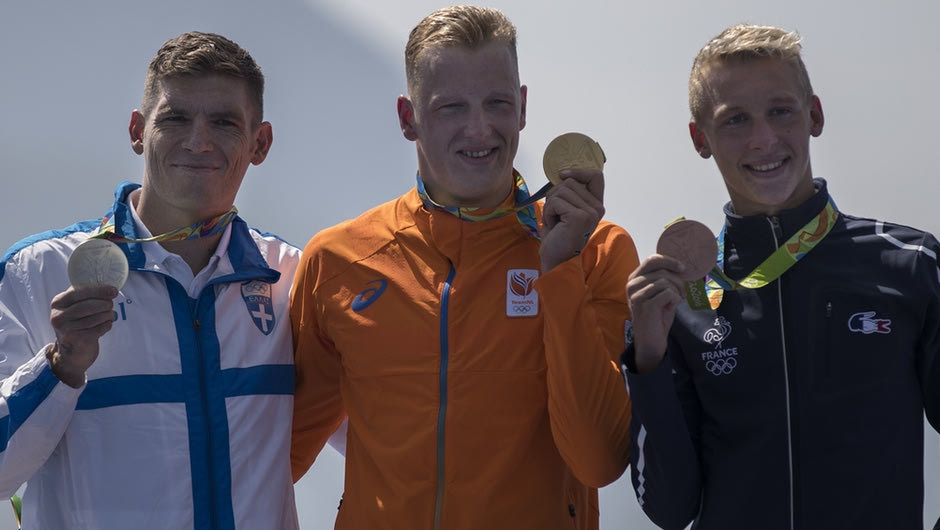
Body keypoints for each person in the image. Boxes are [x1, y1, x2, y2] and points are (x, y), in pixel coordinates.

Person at [290, 5, 636, 529]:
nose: (480, 129)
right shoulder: (337, 261)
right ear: (408, 118)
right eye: (451, 107)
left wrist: (560, 267)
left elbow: (599, 459)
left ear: (522, 107)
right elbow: (272, 459)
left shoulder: (597, 253)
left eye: (497, 103)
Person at [622, 24, 940, 529]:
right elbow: (670, 509)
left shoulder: (911, 263)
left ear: (814, 115)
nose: (763, 139)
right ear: (700, 139)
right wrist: (648, 362)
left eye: (780, 111)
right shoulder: (678, 301)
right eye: (736, 120)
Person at [0, 32, 301, 529]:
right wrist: (61, 365)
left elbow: (386, 438)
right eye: (175, 118)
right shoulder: (37, 272)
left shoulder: (293, 278)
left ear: (260, 143)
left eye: (224, 122)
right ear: (138, 131)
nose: (199, 141)